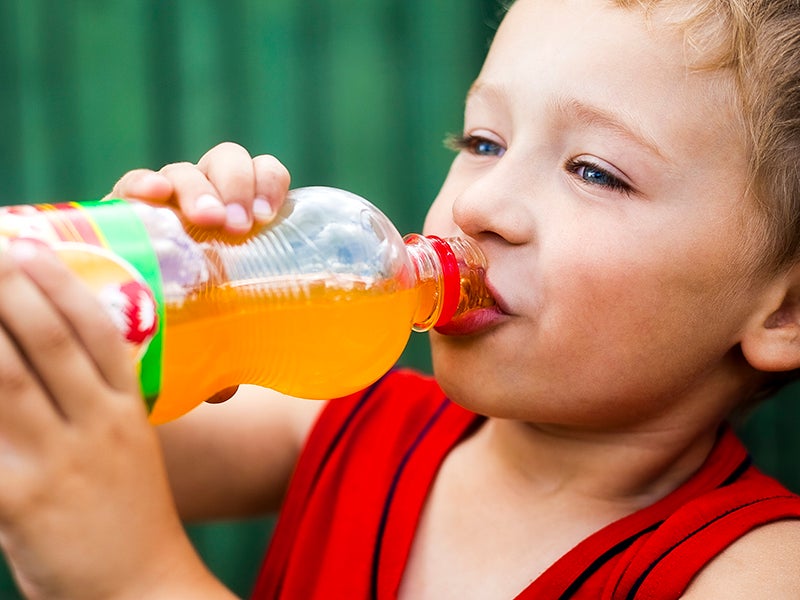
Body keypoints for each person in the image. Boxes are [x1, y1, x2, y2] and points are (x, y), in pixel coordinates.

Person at [0, 0, 799, 597]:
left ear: (783, 311)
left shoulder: (755, 573)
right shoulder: (341, 420)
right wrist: (145, 290)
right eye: (483, 142)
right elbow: (38, 444)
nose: (480, 205)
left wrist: (136, 581)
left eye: (596, 172)